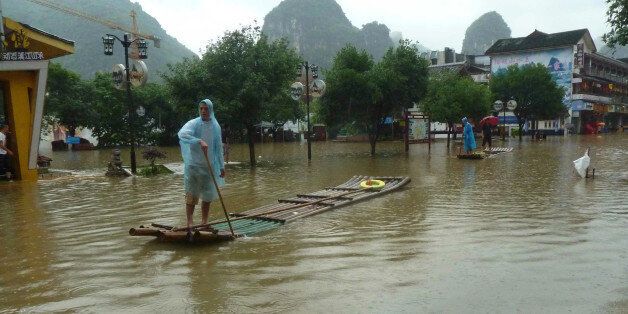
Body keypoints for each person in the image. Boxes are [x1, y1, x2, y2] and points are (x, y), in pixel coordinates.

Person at [178, 99, 225, 229]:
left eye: (206, 109)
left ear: (211, 110)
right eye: (201, 109)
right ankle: (190, 222)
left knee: (208, 194)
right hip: (194, 165)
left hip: (209, 165)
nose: (203, 111)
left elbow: (218, 148)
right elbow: (182, 134)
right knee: (191, 194)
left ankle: (204, 222)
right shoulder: (193, 123)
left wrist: (221, 167)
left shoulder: (216, 126)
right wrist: (198, 141)